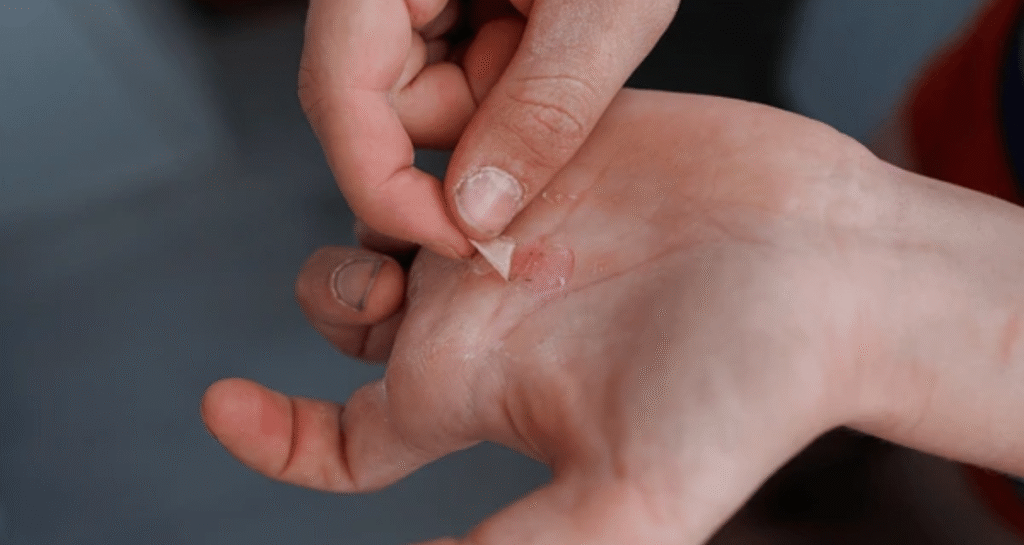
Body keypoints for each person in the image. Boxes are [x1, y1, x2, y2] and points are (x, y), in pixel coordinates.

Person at [202, 0, 1024, 542]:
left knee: (948, 501)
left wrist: (894, 309)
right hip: (990, 107)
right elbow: (858, 221)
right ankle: (821, 462)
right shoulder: (860, 188)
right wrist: (856, 237)